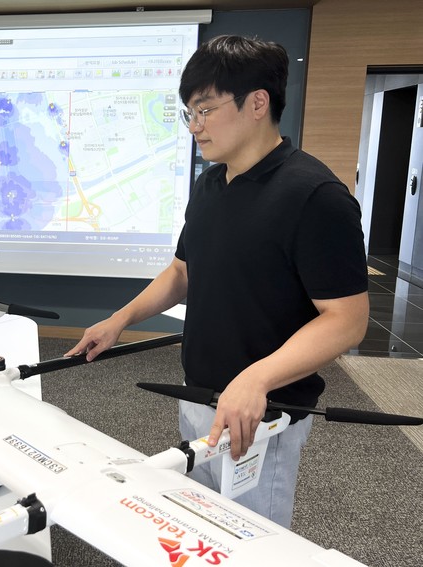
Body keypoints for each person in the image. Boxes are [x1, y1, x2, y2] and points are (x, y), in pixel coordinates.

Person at [66, 35, 369, 528]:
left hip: (260, 412)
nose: (194, 127)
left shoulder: (316, 197)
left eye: (205, 110)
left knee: (251, 538)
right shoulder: (210, 183)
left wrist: (256, 379)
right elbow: (182, 271)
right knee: (201, 521)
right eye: (189, 113)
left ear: (258, 103)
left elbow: (346, 320)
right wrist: (120, 319)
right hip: (198, 395)